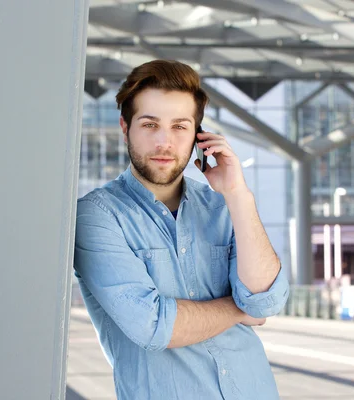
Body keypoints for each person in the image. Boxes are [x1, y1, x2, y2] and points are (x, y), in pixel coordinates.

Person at [73, 60, 289, 400]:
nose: (164, 142)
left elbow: (266, 298)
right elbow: (154, 325)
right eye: (149, 125)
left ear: (198, 135)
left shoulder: (224, 207)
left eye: (179, 127)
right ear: (124, 127)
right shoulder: (96, 216)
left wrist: (238, 194)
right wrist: (238, 309)